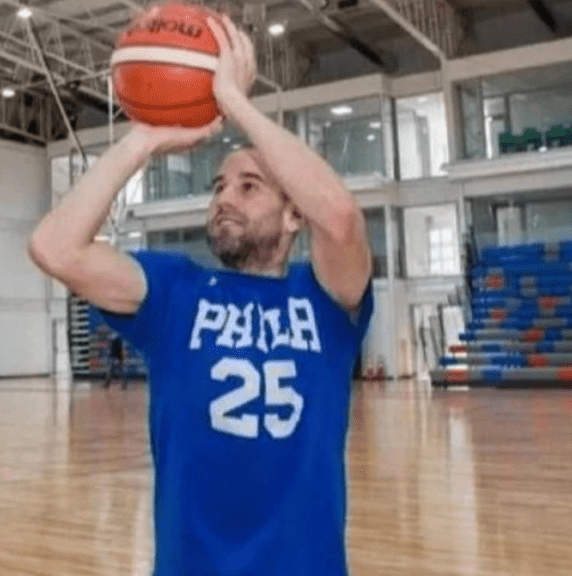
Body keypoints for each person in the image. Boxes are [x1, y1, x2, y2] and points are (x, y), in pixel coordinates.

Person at [28, 12, 373, 576]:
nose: (223, 197)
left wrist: (234, 102)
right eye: (217, 186)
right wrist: (141, 140)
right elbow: (54, 248)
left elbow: (338, 218)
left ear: (292, 215)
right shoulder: (174, 291)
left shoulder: (327, 301)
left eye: (248, 185)